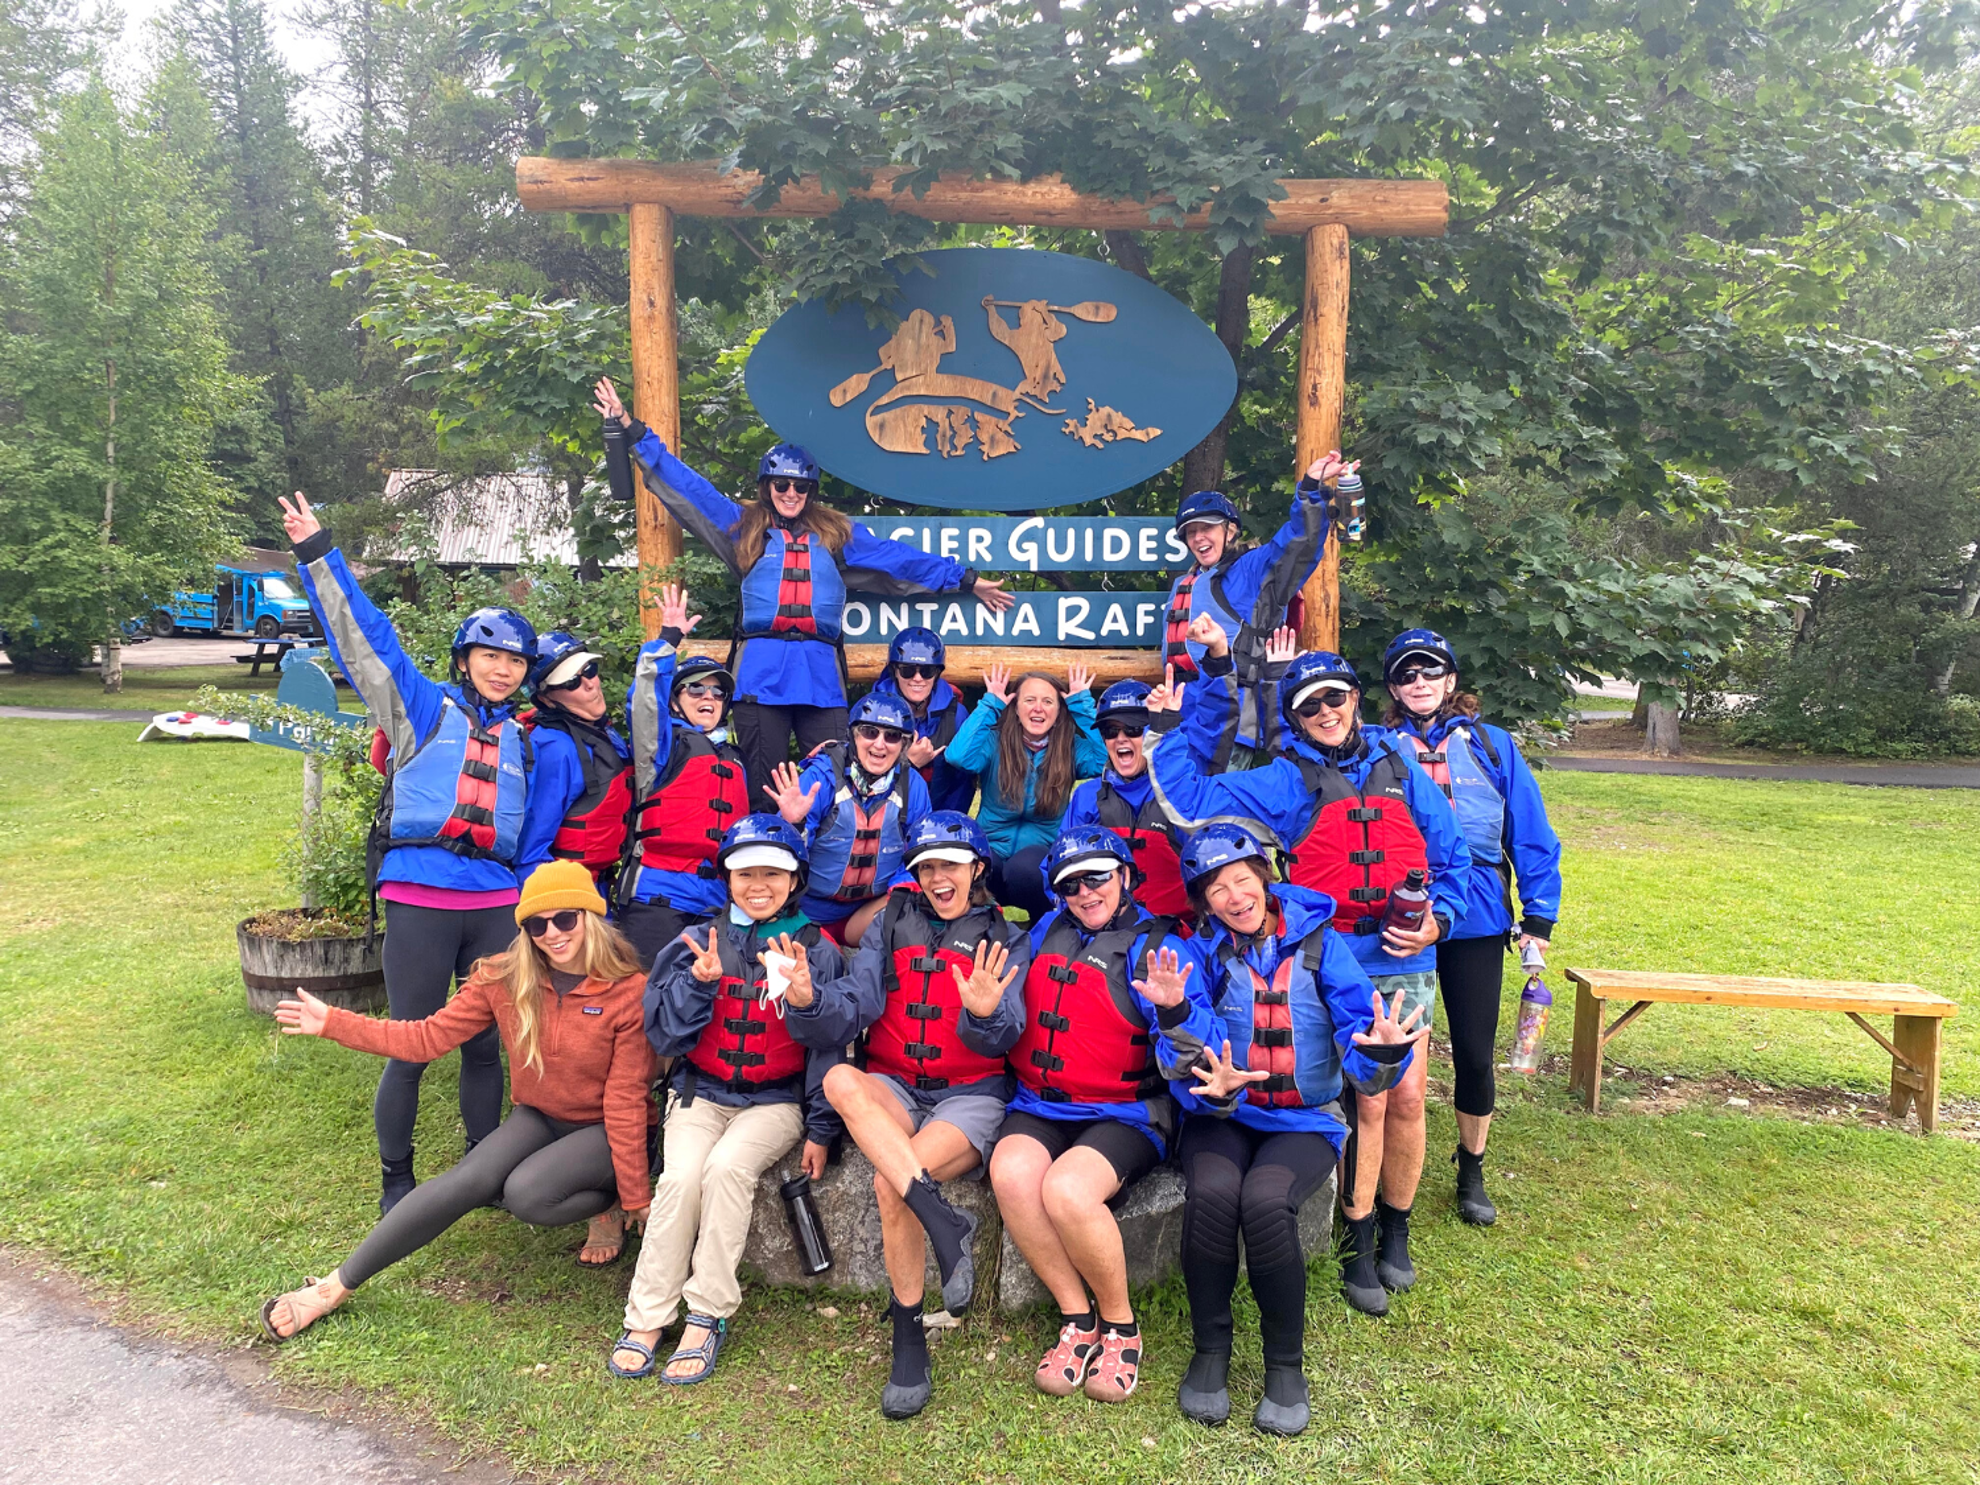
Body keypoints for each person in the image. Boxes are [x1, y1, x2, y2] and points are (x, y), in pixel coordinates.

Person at [1147, 620, 1470, 1315]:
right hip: (1331, 952)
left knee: (1408, 1095)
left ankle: (1396, 1229)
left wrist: (1438, 916)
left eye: (1335, 699)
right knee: (1366, 1099)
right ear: (1294, 716)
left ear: (1355, 697)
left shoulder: (1398, 762)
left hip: (1406, 952)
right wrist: (1204, 687)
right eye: (1309, 706)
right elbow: (1186, 799)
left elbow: (1452, 856)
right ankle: (1354, 1236)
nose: (1326, 713)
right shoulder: (1283, 780)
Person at [281, 491, 581, 1214]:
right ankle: (397, 1179)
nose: (503, 670)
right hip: (419, 895)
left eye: (515, 661)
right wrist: (320, 555)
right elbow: (366, 639)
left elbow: (536, 834)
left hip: (493, 908)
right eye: (490, 656)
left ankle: (481, 1169)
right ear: (465, 658)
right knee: (409, 1042)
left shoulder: (531, 738)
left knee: (485, 1046)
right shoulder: (420, 708)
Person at [257, 862, 655, 1341]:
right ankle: (331, 1288)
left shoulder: (629, 991)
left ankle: (609, 1204)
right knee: (472, 1180)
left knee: (527, 1195)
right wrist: (335, 1023)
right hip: (541, 1116)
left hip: (604, 1128)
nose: (553, 934)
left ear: (590, 917)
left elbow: (627, 1099)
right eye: (536, 924)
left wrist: (636, 1196)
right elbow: (427, 1038)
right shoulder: (505, 979)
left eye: (566, 918)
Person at [594, 376, 1013, 804]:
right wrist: (633, 431)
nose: (791, 493)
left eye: (801, 487)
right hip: (760, 676)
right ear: (766, 487)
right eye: (781, 485)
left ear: (811, 492)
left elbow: (896, 557)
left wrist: (963, 578)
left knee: (838, 779)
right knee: (762, 786)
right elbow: (690, 488)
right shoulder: (745, 528)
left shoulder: (835, 534)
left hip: (819, 677)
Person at [1162, 825, 1419, 1435]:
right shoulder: (1197, 953)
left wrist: (1382, 1054)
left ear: (1264, 878)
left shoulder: (1321, 946)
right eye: (1216, 888)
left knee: (1266, 1201)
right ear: (1203, 902)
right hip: (1219, 1114)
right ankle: (1211, 1350)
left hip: (1302, 1119)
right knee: (1215, 1194)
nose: (1233, 896)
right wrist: (1186, 1038)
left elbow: (1362, 1044)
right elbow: (1177, 1048)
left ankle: (1284, 1364)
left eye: (1242, 879)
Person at [787, 812, 1031, 1419]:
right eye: (925, 866)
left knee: (888, 1182)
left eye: (950, 863)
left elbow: (1007, 1037)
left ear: (976, 869)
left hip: (969, 1094)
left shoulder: (1006, 936)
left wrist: (981, 1013)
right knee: (842, 1076)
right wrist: (811, 1000)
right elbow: (856, 1006)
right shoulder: (893, 922)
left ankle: (908, 1333)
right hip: (896, 1083)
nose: (936, 876)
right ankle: (943, 1223)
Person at [614, 816, 845, 1384]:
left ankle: (707, 1313)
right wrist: (698, 984)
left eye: (772, 873)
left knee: (727, 1170)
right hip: (702, 1092)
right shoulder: (695, 942)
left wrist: (820, 1128)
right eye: (745, 873)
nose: (758, 884)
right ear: (728, 878)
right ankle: (647, 1315)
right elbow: (665, 1037)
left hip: (775, 1101)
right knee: (680, 1177)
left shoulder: (818, 948)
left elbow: (830, 1045)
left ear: (794, 881)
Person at [989, 828, 1217, 1403]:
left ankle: (1120, 1326)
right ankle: (1077, 1316)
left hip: (1126, 1110)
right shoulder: (1046, 932)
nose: (1085, 892)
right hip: (1043, 1102)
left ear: (1124, 877)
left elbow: (1197, 1049)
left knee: (1067, 1190)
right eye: (1070, 884)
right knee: (1012, 1174)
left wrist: (1175, 1010)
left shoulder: (1158, 946)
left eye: (1097, 877)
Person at [1376, 628, 1562, 1227]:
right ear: (1393, 689)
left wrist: (1539, 917)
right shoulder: (1377, 746)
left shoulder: (1493, 745)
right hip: (1401, 915)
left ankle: (1472, 1166)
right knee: (1389, 1051)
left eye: (1431, 671)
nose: (1420, 682)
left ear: (1451, 680)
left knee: (1475, 1052)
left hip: (1477, 915)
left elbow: (1530, 832)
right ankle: (1376, 1172)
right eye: (1406, 674)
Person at [1157, 454, 1347, 765]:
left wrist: (1310, 489)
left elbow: (1299, 544)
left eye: (1207, 528)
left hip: (1231, 714)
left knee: (1219, 804)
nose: (1198, 537)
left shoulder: (1252, 570)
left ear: (1230, 531)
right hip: (1184, 708)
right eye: (1191, 532)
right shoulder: (1187, 582)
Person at [617, 584, 750, 967]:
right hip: (655, 901)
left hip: (716, 905)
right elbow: (644, 699)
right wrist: (669, 640)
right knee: (645, 1007)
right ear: (675, 699)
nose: (707, 698)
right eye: (695, 689)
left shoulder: (733, 757)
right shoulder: (659, 746)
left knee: (701, 1010)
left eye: (717, 693)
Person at [760, 690, 931, 947]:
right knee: (821, 959)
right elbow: (780, 859)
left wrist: (900, 891)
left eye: (892, 736)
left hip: (868, 911)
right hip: (806, 910)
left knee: (910, 911)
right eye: (870, 732)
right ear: (853, 735)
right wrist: (793, 824)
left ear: (904, 745)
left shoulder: (912, 787)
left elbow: (919, 857)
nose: (880, 744)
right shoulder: (820, 778)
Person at [943, 663, 1104, 919]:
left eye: (1048, 701)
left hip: (1038, 854)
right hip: (992, 844)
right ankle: (979, 928)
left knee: (1024, 870)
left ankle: (1044, 926)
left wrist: (1081, 706)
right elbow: (958, 756)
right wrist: (991, 704)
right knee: (977, 864)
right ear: (1016, 709)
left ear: (1059, 711)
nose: (1038, 707)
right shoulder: (997, 741)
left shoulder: (1068, 747)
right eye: (1029, 700)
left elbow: (1103, 760)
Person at [1062, 675, 1193, 925]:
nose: (1120, 738)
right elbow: (1058, 866)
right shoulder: (1087, 796)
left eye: (1133, 729)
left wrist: (1217, 662)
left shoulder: (1180, 791)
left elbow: (1216, 729)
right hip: (1103, 929)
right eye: (1111, 731)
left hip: (1176, 928)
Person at [524, 632, 634, 891]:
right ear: (546, 699)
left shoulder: (602, 732)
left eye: (590, 670)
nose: (590, 684)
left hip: (600, 887)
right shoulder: (554, 748)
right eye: (572, 682)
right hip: (567, 894)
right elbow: (531, 848)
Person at [867, 627, 976, 813]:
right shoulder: (869, 712)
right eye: (907, 670)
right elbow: (857, 781)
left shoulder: (957, 716)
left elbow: (962, 784)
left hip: (938, 821)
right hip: (881, 819)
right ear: (895, 671)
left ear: (937, 673)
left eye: (927, 671)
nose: (917, 678)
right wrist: (906, 763)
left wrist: (942, 826)